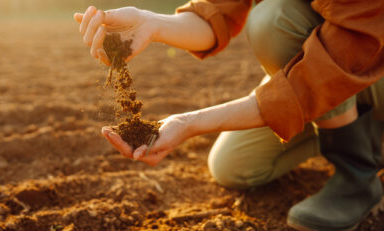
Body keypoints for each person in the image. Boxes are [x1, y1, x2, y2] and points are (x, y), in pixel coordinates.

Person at [73, 0, 384, 230]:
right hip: (319, 71)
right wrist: (152, 23)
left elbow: (328, 70)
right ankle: (360, 129)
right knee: (235, 166)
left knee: (272, 20)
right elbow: (217, 15)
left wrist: (191, 123)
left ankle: (356, 175)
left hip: (368, 66)